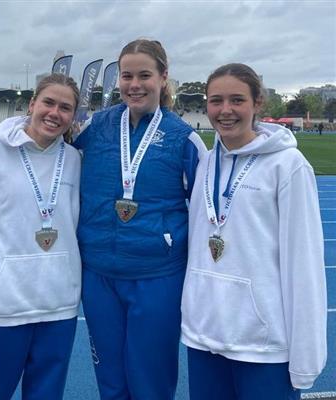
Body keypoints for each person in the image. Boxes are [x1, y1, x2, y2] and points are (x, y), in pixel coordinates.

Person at [181, 63, 327, 400]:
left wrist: (306, 356)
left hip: (264, 346)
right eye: (216, 101)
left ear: (257, 103)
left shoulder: (288, 166)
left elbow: (303, 263)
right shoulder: (206, 162)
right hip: (206, 337)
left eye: (237, 100)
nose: (225, 110)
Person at [73, 39, 206, 400]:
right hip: (99, 273)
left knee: (151, 379)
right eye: (127, 75)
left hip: (157, 276)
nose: (135, 84)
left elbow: (207, 213)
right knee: (111, 380)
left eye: (144, 75)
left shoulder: (184, 138)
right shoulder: (95, 127)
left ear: (163, 77)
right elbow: (44, 146)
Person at [0, 73, 82, 400]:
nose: (55, 113)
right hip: (5, 307)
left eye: (65, 108)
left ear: (73, 116)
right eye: (49, 103)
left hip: (59, 307)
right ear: (32, 104)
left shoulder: (74, 160)